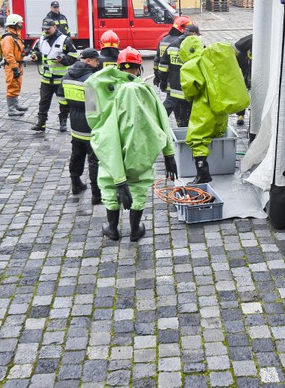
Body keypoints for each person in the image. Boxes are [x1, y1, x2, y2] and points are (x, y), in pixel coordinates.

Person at [85, 47, 178, 241]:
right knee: (138, 186)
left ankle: (112, 228)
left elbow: (92, 118)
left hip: (107, 147)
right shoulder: (143, 91)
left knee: (109, 185)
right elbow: (162, 120)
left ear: (118, 66)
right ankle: (135, 230)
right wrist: (169, 154)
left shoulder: (93, 86)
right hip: (138, 151)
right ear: (139, 68)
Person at [180, 36, 250, 184]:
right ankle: (220, 168)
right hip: (221, 108)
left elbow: (191, 90)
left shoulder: (192, 64)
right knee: (217, 136)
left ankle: (203, 173)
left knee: (196, 138)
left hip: (204, 109)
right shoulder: (211, 59)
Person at [59, 48, 102, 203]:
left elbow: (61, 99)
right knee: (93, 160)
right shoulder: (91, 79)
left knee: (77, 154)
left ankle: (75, 184)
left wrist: (69, 111)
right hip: (89, 126)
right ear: (88, 61)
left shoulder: (67, 75)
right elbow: (94, 108)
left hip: (75, 125)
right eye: (96, 60)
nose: (98, 63)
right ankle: (96, 194)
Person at [30, 18, 78, 131]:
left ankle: (63, 123)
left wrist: (62, 59)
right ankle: (41, 124)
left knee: (63, 102)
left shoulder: (65, 40)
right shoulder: (41, 39)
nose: (46, 31)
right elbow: (36, 51)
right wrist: (36, 56)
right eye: (44, 29)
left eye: (48, 29)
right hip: (46, 78)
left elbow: (74, 57)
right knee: (43, 102)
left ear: (55, 27)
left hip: (60, 79)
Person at [159, 24, 201, 127]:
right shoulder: (197, 47)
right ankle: (187, 127)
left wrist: (163, 81)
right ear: (194, 34)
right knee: (190, 110)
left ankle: (157, 123)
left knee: (167, 107)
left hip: (174, 86)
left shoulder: (172, 45)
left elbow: (163, 66)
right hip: (189, 87)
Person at [1, 14, 29, 116]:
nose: (21, 24)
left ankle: (16, 105)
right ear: (14, 24)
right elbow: (8, 54)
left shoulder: (16, 36)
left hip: (17, 65)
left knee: (17, 85)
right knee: (12, 86)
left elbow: (17, 50)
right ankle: (11, 109)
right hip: (12, 66)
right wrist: (14, 68)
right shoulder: (8, 38)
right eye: (20, 23)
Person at [154, 16, 191, 90]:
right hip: (177, 81)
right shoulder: (182, 43)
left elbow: (157, 60)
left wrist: (157, 76)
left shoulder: (163, 40)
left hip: (165, 79)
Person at [234, 34, 253, 126]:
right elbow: (235, 47)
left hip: (256, 65)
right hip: (243, 62)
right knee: (242, 87)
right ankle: (240, 115)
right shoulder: (251, 39)